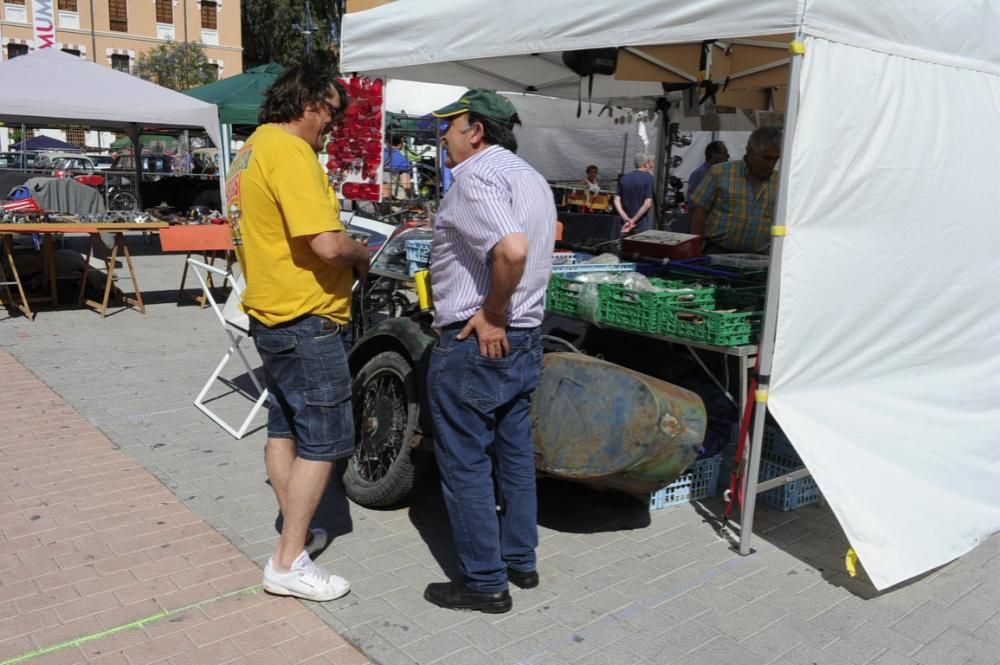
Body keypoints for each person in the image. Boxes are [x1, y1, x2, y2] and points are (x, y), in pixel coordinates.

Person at [225, 61, 370, 602]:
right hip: (305, 317)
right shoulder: (290, 151)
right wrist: (362, 252)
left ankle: (296, 533)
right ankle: (287, 563)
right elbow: (328, 244)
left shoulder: (250, 150)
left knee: (284, 426)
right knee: (327, 439)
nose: (332, 125)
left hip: (270, 312)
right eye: (331, 112)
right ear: (308, 101)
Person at [423, 88, 556, 614]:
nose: (443, 137)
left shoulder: (477, 176)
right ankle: (520, 560)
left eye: (449, 127)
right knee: (514, 453)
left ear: (475, 131)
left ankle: (484, 581)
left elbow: (512, 249)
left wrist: (494, 312)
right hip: (522, 338)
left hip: (483, 337)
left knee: (467, 462)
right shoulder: (530, 177)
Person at [689, 127, 782, 254]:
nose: (771, 164)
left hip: (758, 257)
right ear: (749, 150)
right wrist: (695, 249)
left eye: (776, 159)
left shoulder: (780, 182)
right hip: (717, 252)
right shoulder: (719, 173)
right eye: (766, 158)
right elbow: (699, 212)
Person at [613, 152, 655, 235]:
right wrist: (633, 220)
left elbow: (616, 200)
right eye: (650, 162)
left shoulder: (624, 178)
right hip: (641, 225)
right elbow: (647, 204)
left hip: (624, 225)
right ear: (645, 163)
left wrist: (625, 218)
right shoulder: (648, 178)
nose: (651, 165)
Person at [382, 134, 412, 198]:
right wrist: (410, 196)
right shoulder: (402, 160)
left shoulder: (377, 154)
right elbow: (406, 186)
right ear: (402, 140)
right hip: (390, 198)